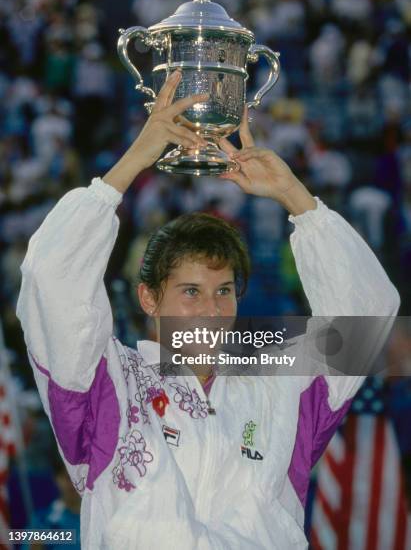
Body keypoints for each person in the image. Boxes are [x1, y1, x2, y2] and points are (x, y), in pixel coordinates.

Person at [16, 70, 400, 549]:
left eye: (224, 291)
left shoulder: (278, 381)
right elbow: (49, 280)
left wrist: (295, 198)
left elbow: (369, 315)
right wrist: (137, 158)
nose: (212, 310)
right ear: (149, 298)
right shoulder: (108, 383)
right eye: (191, 292)